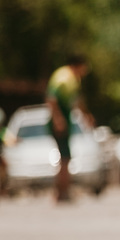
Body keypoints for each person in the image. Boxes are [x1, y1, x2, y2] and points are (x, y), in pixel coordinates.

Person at [45, 53, 94, 203]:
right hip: (59, 121)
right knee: (65, 158)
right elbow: (51, 99)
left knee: (65, 157)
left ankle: (62, 191)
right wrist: (58, 119)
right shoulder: (66, 78)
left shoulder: (68, 77)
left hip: (63, 121)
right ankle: (62, 192)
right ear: (79, 65)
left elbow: (76, 101)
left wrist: (86, 115)